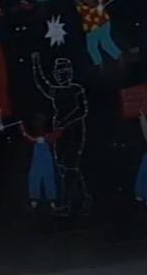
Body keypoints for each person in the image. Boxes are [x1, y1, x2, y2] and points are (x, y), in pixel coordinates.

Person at [31, 53, 91, 215]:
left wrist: (65, 121)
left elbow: (82, 110)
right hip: (60, 133)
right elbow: (41, 84)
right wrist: (36, 64)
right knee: (65, 167)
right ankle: (82, 199)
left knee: (70, 166)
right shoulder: (56, 91)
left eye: (62, 72)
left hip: (74, 131)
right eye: (57, 72)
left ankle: (67, 203)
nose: (59, 75)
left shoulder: (76, 89)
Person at [72, 0, 122, 69]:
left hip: (102, 25)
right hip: (90, 30)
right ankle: (100, 67)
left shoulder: (99, 3)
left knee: (106, 44)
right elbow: (76, 0)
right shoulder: (83, 8)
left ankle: (120, 60)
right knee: (92, 48)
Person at [20, 113, 62, 209]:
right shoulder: (34, 138)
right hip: (36, 161)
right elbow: (27, 137)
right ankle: (34, 199)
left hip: (47, 161)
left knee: (49, 178)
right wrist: (21, 127)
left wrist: (57, 129)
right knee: (34, 177)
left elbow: (58, 134)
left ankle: (52, 200)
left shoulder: (49, 136)